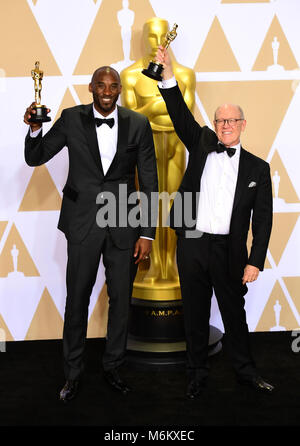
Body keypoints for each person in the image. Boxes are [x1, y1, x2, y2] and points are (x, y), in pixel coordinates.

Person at [23, 66, 158, 402]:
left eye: (113, 86)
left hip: (125, 224)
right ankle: (73, 374)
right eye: (101, 85)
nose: (107, 91)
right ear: (91, 88)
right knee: (77, 299)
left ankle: (113, 368)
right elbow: (35, 156)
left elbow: (150, 180)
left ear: (120, 89)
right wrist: (36, 128)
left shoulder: (138, 124)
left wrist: (148, 233)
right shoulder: (71, 119)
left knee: (121, 301)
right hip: (83, 223)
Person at [156, 47, 274, 399]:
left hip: (229, 250)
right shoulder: (202, 141)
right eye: (220, 120)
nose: (225, 126)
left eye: (231, 121)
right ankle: (196, 375)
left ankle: (246, 373)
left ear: (242, 124)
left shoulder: (258, 168)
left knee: (234, 315)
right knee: (193, 313)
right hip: (192, 243)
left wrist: (255, 260)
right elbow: (179, 114)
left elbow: (263, 220)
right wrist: (167, 76)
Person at [121, 17, 195, 286]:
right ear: (143, 39)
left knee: (174, 207)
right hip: (143, 153)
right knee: (147, 207)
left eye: (161, 36)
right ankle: (149, 267)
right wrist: (156, 108)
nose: (156, 42)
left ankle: (171, 265)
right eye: (151, 36)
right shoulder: (129, 76)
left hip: (175, 148)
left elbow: (184, 119)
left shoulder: (185, 75)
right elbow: (131, 121)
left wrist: (149, 110)